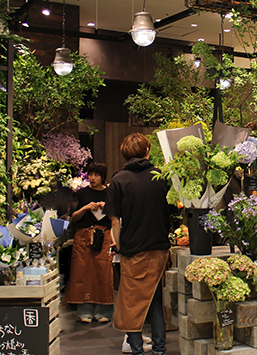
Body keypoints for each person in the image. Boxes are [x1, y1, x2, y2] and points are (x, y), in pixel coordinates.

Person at [104, 133, 172, 355]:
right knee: (154, 300)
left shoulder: (118, 180)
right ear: (146, 151)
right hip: (159, 247)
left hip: (132, 249)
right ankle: (160, 349)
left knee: (131, 301)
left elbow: (114, 221)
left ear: (125, 153)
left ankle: (137, 350)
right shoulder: (160, 176)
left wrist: (120, 246)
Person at [66, 161, 114, 323]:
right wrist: (85, 208)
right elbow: (72, 217)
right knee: (82, 270)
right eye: (91, 174)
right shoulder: (81, 193)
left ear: (103, 177)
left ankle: (103, 310)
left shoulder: (110, 193)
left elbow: (116, 217)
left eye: (97, 175)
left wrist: (105, 208)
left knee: (102, 271)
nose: (93, 178)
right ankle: (84, 310)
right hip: (84, 235)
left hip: (104, 234)